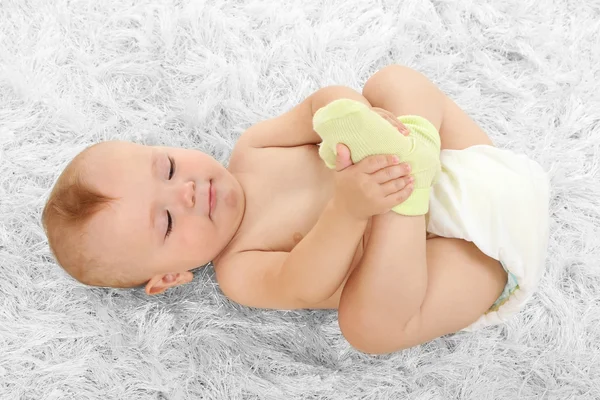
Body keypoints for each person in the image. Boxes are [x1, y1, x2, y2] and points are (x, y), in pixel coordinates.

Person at [42, 65, 550, 354]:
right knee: (368, 329)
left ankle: (405, 163)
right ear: (170, 276)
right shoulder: (240, 269)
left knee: (391, 82)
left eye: (168, 168)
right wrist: (349, 211)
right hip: (474, 255)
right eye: (168, 221)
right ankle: (405, 193)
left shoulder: (254, 149)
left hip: (469, 163)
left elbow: (318, 105)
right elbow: (303, 281)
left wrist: (350, 118)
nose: (188, 193)